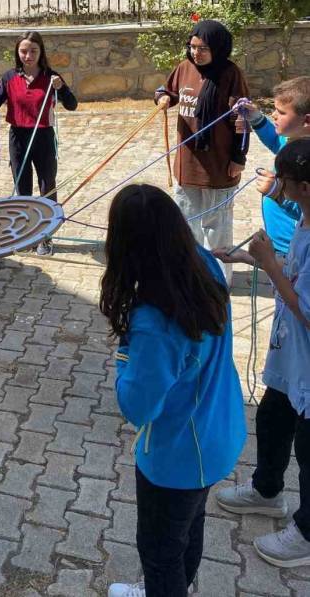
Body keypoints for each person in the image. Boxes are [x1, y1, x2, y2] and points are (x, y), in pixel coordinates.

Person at [100, 184, 245, 597]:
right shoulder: (203, 264)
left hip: (179, 456)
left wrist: (123, 359)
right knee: (188, 529)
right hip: (219, 430)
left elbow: (138, 407)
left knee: (160, 551)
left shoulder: (154, 322)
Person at [215, 138, 310, 568]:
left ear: (303, 186)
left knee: (309, 451)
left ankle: (307, 533)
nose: (279, 189)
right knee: (273, 418)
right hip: (291, 360)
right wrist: (244, 258)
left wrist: (268, 262)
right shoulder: (305, 222)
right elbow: (292, 269)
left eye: (284, 182)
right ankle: (267, 491)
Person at [155, 19, 249, 265]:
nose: (196, 53)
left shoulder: (230, 74)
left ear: (217, 48)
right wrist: (163, 97)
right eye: (193, 47)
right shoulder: (184, 67)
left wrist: (239, 158)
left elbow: (242, 118)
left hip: (218, 164)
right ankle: (191, 272)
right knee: (186, 223)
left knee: (217, 227)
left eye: (203, 48)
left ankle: (218, 279)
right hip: (188, 163)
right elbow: (166, 90)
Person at [0, 30, 78, 255]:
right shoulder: (9, 77)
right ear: (18, 53)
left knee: (47, 186)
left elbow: (72, 104)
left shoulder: (50, 76)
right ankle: (27, 234)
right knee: (23, 188)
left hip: (44, 137)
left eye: (33, 51)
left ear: (41, 52)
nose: (28, 56)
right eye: (24, 51)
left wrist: (62, 88)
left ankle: (46, 236)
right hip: (18, 137)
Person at [247, 77, 310, 256]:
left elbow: (306, 204)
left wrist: (276, 191)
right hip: (279, 247)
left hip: (294, 248)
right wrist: (256, 118)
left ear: (306, 120)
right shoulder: (292, 139)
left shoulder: (306, 158)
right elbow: (276, 140)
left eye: (281, 113)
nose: (273, 115)